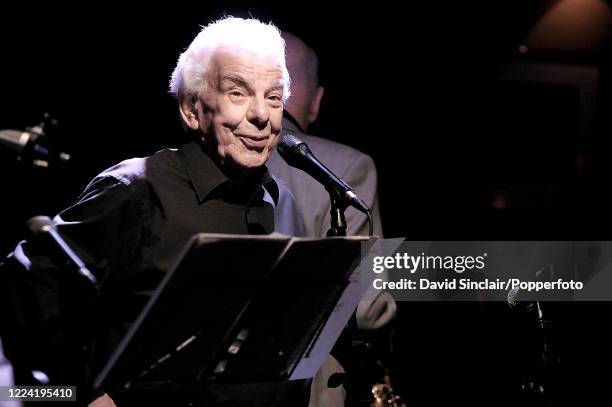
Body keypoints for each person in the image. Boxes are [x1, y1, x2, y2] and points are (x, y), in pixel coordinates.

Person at [0, 17, 306, 407]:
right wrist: (80, 397)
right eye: (238, 93)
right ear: (192, 109)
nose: (262, 115)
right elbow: (21, 290)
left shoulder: (281, 202)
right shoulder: (139, 190)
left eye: (275, 97)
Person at [266, 32, 396, 407]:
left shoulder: (201, 159)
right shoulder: (347, 167)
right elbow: (367, 308)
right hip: (306, 392)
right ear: (317, 100)